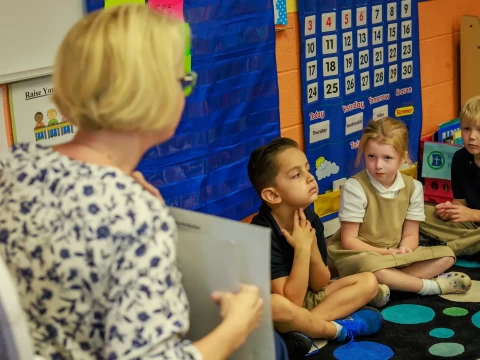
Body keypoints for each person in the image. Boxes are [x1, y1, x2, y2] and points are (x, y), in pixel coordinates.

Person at [0, 5, 267, 360]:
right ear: (150, 92)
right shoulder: (134, 215)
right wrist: (236, 327)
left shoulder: (14, 164)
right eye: (181, 81)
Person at [248, 138, 384, 351]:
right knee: (276, 305)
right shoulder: (261, 231)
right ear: (272, 195)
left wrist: (310, 248)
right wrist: (301, 248)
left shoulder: (310, 219)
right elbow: (291, 300)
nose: (310, 178)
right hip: (283, 307)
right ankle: (336, 330)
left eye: (307, 169)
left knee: (369, 281)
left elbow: (320, 284)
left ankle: (304, 329)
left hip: (307, 302)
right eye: (296, 175)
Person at [328, 117, 472, 300]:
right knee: (373, 266)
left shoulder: (413, 187)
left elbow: (411, 234)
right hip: (361, 254)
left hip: (394, 254)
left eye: (387, 158)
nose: (378, 165)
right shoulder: (355, 187)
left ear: (402, 157)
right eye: (371, 156)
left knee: (447, 256)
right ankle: (429, 286)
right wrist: (386, 254)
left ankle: (382, 287)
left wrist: (404, 250)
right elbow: (349, 241)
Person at [420, 96, 480, 256]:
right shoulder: (460, 158)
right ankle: (460, 247)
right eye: (467, 129)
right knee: (419, 212)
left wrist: (473, 214)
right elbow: (460, 201)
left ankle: (445, 249)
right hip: (470, 227)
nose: (472, 137)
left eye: (479, 130)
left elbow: (470, 212)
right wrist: (450, 209)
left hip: (474, 222)